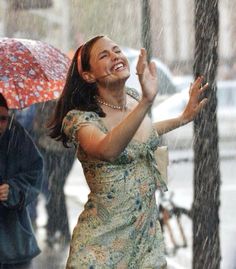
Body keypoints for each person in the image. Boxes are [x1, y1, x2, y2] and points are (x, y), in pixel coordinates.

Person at [49, 35, 208, 268]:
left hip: (145, 242)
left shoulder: (133, 100)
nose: (115, 56)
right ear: (88, 75)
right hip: (101, 248)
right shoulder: (79, 118)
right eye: (104, 55)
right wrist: (146, 101)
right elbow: (108, 149)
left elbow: (141, 135)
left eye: (117, 50)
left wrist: (182, 118)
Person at [0, 93, 43, 268]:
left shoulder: (17, 135)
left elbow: (35, 174)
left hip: (14, 240)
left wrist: (12, 190)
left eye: (3, 119)